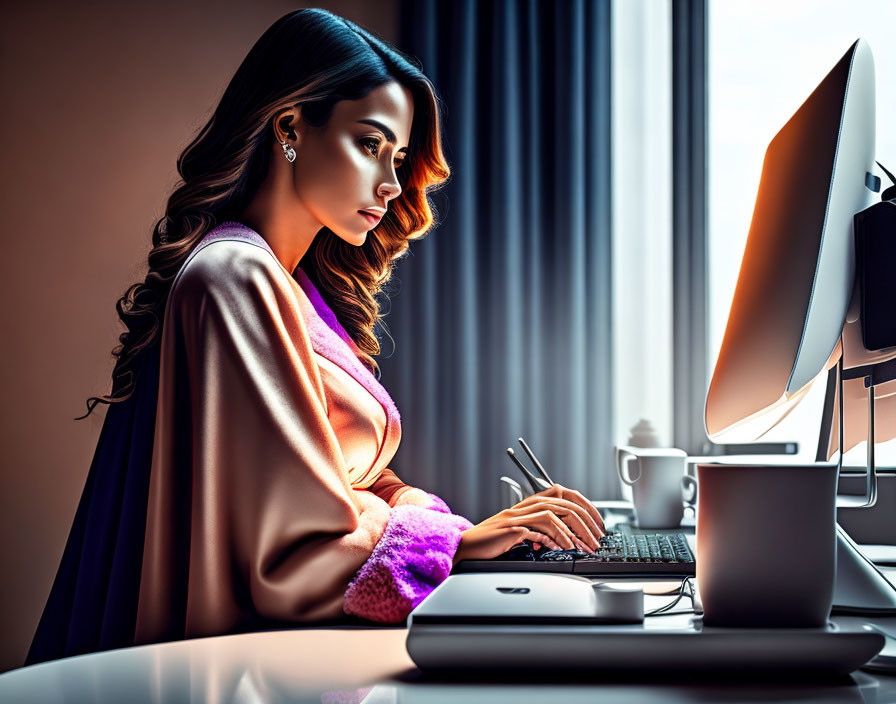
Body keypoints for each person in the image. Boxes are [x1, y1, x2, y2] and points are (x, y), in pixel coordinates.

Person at [27, 8, 605, 665]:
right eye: (369, 144)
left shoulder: (291, 287)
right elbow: (290, 553)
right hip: (240, 661)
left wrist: (458, 532)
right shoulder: (232, 275)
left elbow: (334, 483)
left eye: (400, 156)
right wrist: (455, 545)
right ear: (292, 128)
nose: (391, 183)